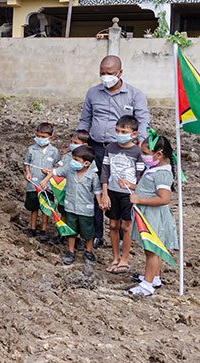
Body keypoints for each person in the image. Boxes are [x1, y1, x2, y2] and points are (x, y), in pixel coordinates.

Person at [78, 55, 150, 248]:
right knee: (95, 189)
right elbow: (85, 119)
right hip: (95, 148)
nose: (105, 77)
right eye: (102, 73)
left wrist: (140, 146)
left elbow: (143, 122)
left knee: (118, 191)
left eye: (110, 73)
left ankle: (119, 233)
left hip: (122, 152)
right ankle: (95, 233)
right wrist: (80, 145)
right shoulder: (93, 93)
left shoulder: (135, 95)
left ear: (120, 73)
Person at [128, 131, 178, 296]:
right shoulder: (154, 168)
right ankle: (155, 277)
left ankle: (146, 286)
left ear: (159, 154)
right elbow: (148, 189)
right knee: (153, 249)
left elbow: (164, 198)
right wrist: (132, 186)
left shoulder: (162, 173)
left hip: (153, 217)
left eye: (145, 153)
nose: (143, 156)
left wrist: (139, 200)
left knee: (152, 250)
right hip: (149, 214)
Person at [100, 115, 145, 275]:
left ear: (133, 134)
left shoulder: (137, 151)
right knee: (113, 225)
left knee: (126, 227)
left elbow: (141, 175)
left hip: (128, 195)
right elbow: (105, 171)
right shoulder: (110, 148)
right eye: (117, 130)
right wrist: (105, 193)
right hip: (112, 192)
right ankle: (115, 257)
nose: (119, 134)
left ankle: (125, 259)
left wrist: (132, 186)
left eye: (123, 131)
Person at [42, 145, 102, 266]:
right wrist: (45, 180)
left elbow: (97, 191)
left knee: (88, 232)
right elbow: (54, 171)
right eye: (73, 158)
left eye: (76, 160)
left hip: (86, 210)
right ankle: (70, 252)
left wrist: (100, 203)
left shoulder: (93, 176)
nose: (73, 162)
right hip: (70, 207)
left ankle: (88, 252)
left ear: (86, 163)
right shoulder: (69, 170)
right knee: (71, 230)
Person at [24, 122, 61, 240]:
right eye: (38, 136)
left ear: (51, 137)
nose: (40, 139)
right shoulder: (31, 149)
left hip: (47, 186)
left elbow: (57, 168)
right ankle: (32, 227)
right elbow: (27, 164)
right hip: (33, 184)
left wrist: (50, 171)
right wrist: (28, 173)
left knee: (46, 207)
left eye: (44, 137)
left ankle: (44, 229)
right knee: (33, 207)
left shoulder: (54, 151)